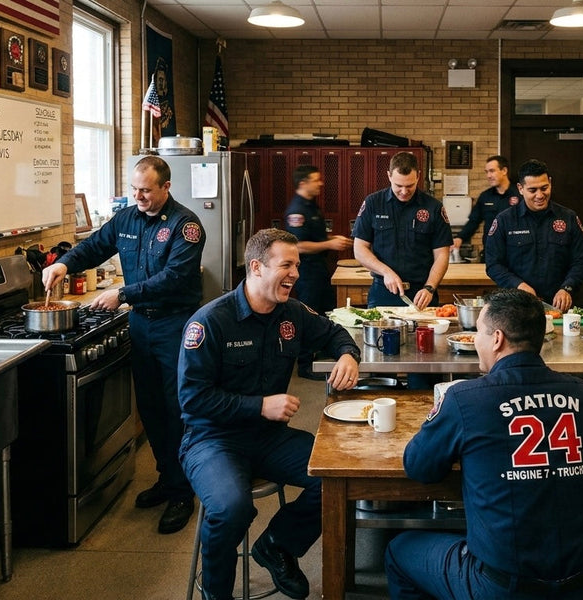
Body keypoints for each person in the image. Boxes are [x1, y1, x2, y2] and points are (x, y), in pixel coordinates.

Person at [385, 288, 583, 600]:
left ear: (497, 339)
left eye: (478, 331)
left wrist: (437, 416)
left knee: (399, 550)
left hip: (503, 588)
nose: (476, 340)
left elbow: (418, 466)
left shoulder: (465, 398)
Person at [177, 228, 361, 600]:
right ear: (257, 267)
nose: (295, 273)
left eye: (297, 264)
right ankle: (217, 594)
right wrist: (260, 405)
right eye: (287, 265)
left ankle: (277, 544)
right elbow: (192, 400)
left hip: (269, 438)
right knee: (231, 508)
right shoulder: (210, 322)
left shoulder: (291, 312)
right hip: (212, 440)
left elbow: (335, 332)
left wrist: (348, 354)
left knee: (339, 477)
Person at [41, 155, 203, 535]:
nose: (139, 196)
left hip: (174, 326)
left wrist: (124, 293)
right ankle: (166, 479)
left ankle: (183, 492)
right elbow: (94, 246)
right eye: (134, 189)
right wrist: (65, 263)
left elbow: (176, 278)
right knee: (149, 409)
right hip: (140, 327)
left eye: (146, 190)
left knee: (177, 410)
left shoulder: (186, 226)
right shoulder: (127, 219)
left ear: (166, 187)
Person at [484, 159, 583, 312]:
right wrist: (519, 286)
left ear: (550, 183)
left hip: (558, 307)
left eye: (544, 188)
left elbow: (580, 261)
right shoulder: (504, 220)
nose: (540, 195)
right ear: (520, 188)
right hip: (516, 307)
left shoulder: (569, 218)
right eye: (533, 190)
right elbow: (493, 265)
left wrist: (567, 288)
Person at [352, 151, 452, 310]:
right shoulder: (373, 203)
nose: (404, 192)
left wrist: (430, 287)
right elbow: (359, 248)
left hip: (421, 293)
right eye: (399, 186)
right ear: (389, 176)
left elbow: (442, 254)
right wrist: (386, 272)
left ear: (418, 176)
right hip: (383, 291)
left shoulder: (433, 207)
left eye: (410, 186)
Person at [283, 165, 352, 380]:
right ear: (303, 183)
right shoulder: (297, 210)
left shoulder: (311, 206)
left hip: (320, 270)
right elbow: (299, 246)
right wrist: (329, 246)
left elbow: (315, 239)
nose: (320, 183)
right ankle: (305, 365)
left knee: (326, 315)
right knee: (308, 315)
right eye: (316, 180)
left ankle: (322, 355)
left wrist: (330, 240)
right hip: (307, 272)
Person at [454, 155, 520, 251]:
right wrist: (460, 238)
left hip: (515, 251)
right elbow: (473, 222)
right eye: (487, 172)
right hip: (491, 251)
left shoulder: (520, 194)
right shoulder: (485, 197)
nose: (488, 176)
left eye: (492, 171)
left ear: (504, 171)